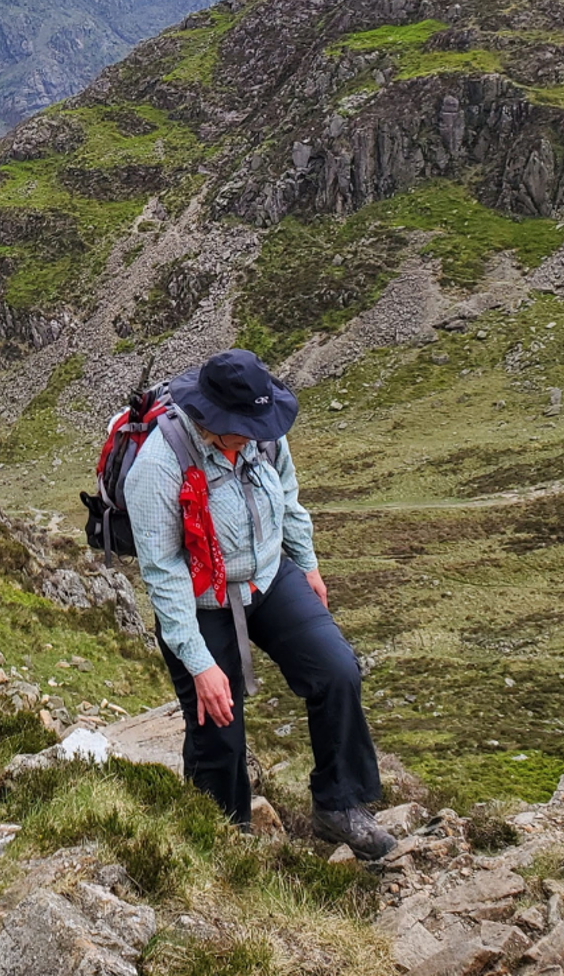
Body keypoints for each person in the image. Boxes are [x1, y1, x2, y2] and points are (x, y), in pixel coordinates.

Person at [122, 347, 395, 857]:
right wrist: (200, 664)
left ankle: (340, 806)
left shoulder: (262, 430)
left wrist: (307, 564)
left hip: (268, 578)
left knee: (337, 670)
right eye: (244, 426)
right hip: (202, 603)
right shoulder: (158, 467)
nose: (259, 432)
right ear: (211, 420)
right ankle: (224, 841)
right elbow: (163, 576)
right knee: (218, 727)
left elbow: (288, 497)